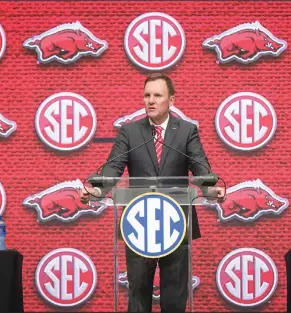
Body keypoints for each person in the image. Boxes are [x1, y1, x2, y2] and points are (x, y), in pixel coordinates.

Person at [80, 73, 226, 312]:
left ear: (171, 100)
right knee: (138, 294)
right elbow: (113, 168)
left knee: (175, 296)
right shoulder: (130, 132)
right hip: (138, 225)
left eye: (157, 95)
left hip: (177, 225)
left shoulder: (187, 131)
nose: (151, 100)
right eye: (147, 95)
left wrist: (211, 189)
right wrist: (96, 190)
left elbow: (200, 167)